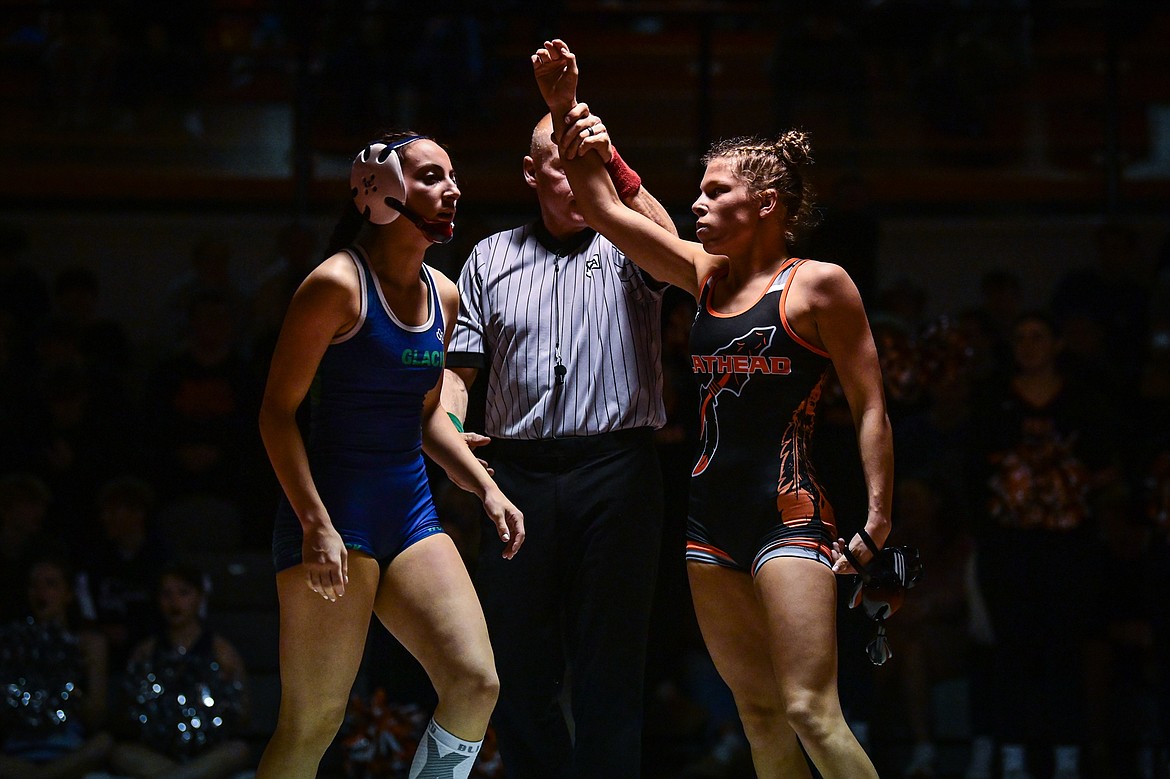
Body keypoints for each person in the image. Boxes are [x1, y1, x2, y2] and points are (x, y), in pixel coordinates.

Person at [530, 40, 894, 778]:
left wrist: (879, 518)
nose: (696, 203)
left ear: (765, 203)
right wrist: (565, 108)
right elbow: (602, 206)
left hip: (788, 517)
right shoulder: (701, 276)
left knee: (811, 712)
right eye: (696, 191)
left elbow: (871, 410)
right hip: (705, 525)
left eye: (713, 190)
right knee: (758, 717)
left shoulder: (821, 286)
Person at [255, 131, 525, 779]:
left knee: (475, 682)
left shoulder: (446, 294)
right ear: (382, 192)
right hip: (332, 513)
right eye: (433, 176)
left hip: (408, 508)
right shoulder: (335, 285)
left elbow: (427, 414)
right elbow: (275, 414)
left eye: (453, 175)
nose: (453, 188)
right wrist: (315, 523)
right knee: (312, 722)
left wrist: (483, 487)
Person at [439, 101, 678, 776]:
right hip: (516, 476)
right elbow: (459, 376)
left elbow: (690, 261)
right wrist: (453, 438)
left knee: (611, 665)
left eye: (586, 163)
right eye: (561, 164)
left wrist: (620, 172)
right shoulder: (488, 257)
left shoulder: (631, 241)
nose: (576, 179)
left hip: (618, 471)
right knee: (516, 662)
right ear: (530, 172)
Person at [110, 562, 251, 779]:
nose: (174, 602)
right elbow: (127, 710)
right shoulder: (146, 651)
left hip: (208, 753)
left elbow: (242, 713)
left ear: (199, 597)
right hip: (157, 753)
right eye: (166, 594)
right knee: (120, 753)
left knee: (238, 751)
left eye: (183, 593)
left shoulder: (222, 651)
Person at [0, 554, 113, 779]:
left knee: (105, 744)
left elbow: (96, 717)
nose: (40, 592)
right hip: (17, 754)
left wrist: (67, 682)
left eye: (50, 584)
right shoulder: (10, 642)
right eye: (34, 585)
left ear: (68, 594)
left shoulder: (89, 644)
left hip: (70, 752)